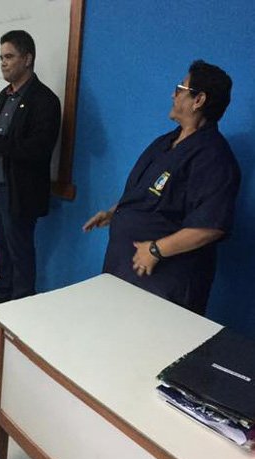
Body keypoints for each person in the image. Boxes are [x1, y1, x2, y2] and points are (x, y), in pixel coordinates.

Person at [83, 60, 239, 315]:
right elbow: (146, 194)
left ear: (198, 100)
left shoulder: (213, 156)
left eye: (179, 89)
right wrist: (113, 213)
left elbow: (210, 226)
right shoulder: (165, 143)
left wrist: (156, 250)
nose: (172, 94)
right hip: (125, 269)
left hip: (166, 280)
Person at [0, 30, 61, 309]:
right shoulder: (3, 96)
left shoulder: (45, 100)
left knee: (20, 248)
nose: (3, 63)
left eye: (9, 57)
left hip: (20, 190)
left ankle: (22, 304)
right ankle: (2, 289)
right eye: (1, 58)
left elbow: (39, 150)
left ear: (27, 59)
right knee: (0, 243)